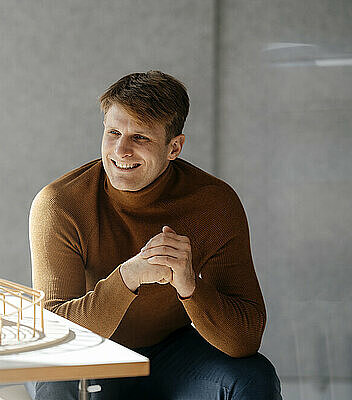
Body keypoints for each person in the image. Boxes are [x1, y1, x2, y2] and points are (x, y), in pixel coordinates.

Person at [27, 70, 282, 399]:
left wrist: (190, 286)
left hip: (172, 354)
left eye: (140, 138)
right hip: (91, 356)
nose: (121, 150)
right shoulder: (61, 204)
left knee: (252, 377)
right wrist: (128, 278)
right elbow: (54, 338)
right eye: (113, 132)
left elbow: (244, 339)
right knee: (57, 378)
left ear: (174, 147)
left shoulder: (214, 204)